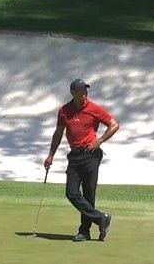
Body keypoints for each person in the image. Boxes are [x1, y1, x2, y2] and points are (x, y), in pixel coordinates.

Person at [43, 79, 120, 242]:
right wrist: (51, 155)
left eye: (85, 90)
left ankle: (84, 231)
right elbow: (58, 133)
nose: (85, 93)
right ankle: (100, 218)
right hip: (75, 156)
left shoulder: (94, 109)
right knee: (71, 193)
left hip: (91, 155)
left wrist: (98, 141)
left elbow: (113, 125)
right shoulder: (64, 111)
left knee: (89, 193)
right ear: (73, 93)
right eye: (81, 91)